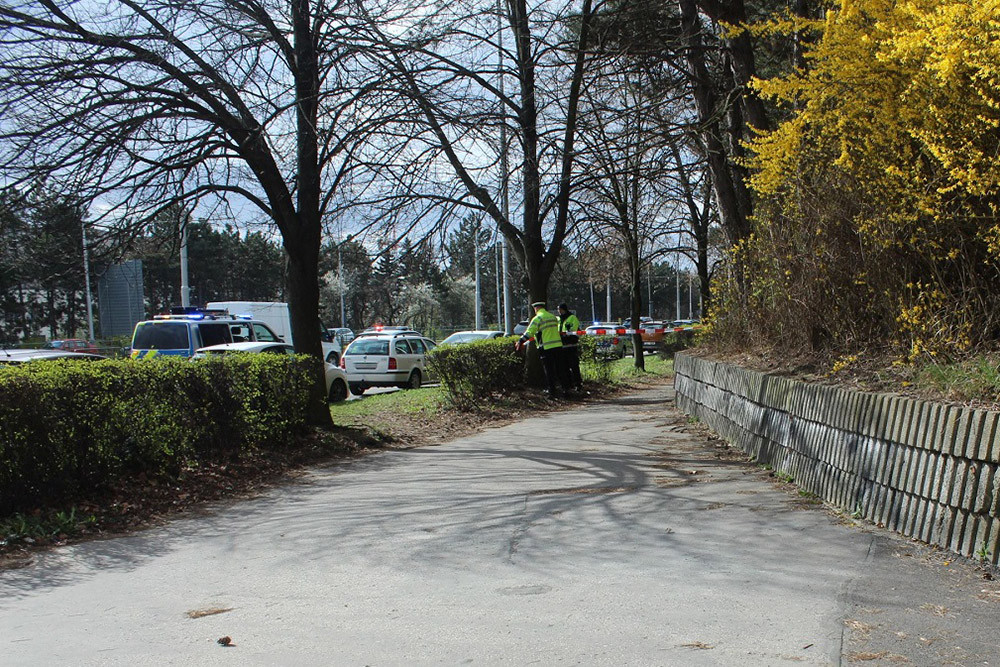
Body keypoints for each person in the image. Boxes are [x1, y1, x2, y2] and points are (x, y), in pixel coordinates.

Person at [515, 301, 569, 396]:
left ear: (536, 309)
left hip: (546, 347)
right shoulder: (553, 317)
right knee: (560, 368)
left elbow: (529, 332)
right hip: (558, 346)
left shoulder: (538, 318)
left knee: (549, 370)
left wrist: (520, 341)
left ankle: (552, 391)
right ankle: (565, 389)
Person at [557, 303, 583, 391]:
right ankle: (569, 384)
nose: (558, 311)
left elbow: (573, 330)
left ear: (564, 309)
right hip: (562, 346)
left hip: (571, 345)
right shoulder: (559, 319)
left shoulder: (572, 318)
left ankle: (578, 384)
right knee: (564, 367)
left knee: (574, 365)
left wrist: (567, 334)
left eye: (560, 309)